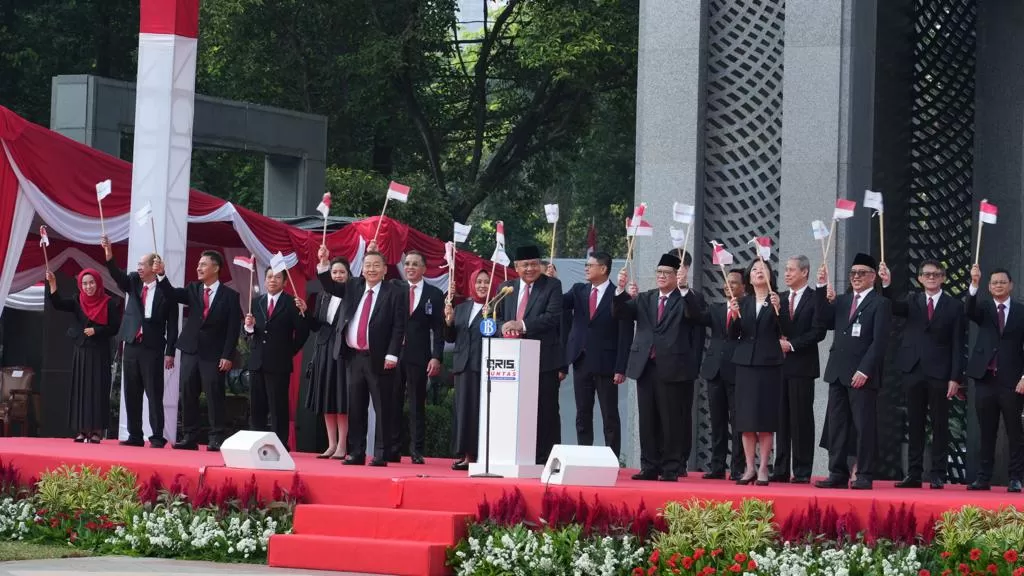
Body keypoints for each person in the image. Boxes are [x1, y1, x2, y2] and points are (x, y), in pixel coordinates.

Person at [614, 253, 706, 481]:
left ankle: (671, 467)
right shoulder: (646, 297)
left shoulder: (686, 298)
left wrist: (684, 288)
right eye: (659, 272)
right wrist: (620, 290)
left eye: (667, 273)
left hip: (673, 367)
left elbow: (696, 315)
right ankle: (649, 466)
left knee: (671, 419)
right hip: (646, 365)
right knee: (647, 419)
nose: (662, 276)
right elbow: (621, 313)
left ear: (677, 275)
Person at [316, 245, 407, 467]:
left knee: (382, 407)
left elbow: (399, 326)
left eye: (376, 266)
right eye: (368, 266)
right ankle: (356, 452)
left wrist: (392, 354)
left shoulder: (395, 292)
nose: (371, 269)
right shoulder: (353, 285)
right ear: (362, 269)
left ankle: (381, 454)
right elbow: (329, 285)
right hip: (354, 357)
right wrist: (324, 263)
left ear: (385, 270)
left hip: (381, 358)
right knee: (356, 407)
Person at [880, 259, 964, 490]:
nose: (931, 277)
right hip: (913, 369)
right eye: (927, 274)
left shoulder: (954, 306)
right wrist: (886, 284)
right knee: (914, 424)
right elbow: (892, 306)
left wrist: (955, 377)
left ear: (943, 277)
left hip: (940, 372)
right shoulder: (912, 300)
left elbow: (958, 344)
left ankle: (938, 474)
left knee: (939, 424)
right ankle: (914, 474)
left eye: (936, 274)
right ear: (919, 278)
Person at [814, 253, 891, 490]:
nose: (856, 277)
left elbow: (879, 342)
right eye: (853, 273)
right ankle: (837, 472)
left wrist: (865, 370)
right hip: (838, 372)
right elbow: (822, 319)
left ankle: (865, 473)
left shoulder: (880, 303)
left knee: (863, 426)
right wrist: (820, 287)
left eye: (861, 273)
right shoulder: (843, 300)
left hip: (861, 375)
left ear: (873, 277)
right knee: (837, 425)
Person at [157, 250, 241, 452]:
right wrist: (161, 275)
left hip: (214, 353)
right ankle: (189, 436)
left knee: (214, 394)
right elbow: (171, 293)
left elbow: (233, 329)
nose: (198, 268)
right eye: (198, 264)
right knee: (187, 392)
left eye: (203, 264)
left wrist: (227, 355)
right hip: (191, 349)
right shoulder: (193, 288)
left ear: (216, 268)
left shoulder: (230, 296)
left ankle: (216, 437)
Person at [101, 237, 178, 448]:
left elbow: (173, 326)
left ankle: (157, 436)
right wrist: (109, 254)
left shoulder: (166, 291)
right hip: (132, 344)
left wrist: (170, 351)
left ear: (154, 267)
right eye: (138, 265)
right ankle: (134, 435)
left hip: (153, 347)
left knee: (154, 393)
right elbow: (117, 275)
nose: (139, 268)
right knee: (131, 392)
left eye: (143, 265)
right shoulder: (134, 281)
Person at [494, 245, 564, 465]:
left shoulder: (552, 285)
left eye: (534, 264)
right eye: (525, 265)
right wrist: (503, 327)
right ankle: (515, 455)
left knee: (546, 410)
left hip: (544, 360)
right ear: (516, 267)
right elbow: (494, 316)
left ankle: (547, 459)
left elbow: (553, 317)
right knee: (514, 409)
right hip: (512, 360)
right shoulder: (506, 288)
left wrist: (521, 325)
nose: (530, 269)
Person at [559, 251, 631, 458]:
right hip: (581, 360)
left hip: (606, 363)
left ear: (603, 268)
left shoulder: (619, 295)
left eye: (590, 265)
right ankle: (584, 456)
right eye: (586, 265)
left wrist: (621, 367)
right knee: (582, 413)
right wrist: (552, 282)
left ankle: (612, 458)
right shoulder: (579, 290)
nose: (586, 268)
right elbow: (560, 302)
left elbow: (625, 335)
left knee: (609, 415)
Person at [964, 265, 1024, 492]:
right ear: (989, 287)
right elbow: (969, 310)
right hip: (985, 379)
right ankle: (983, 478)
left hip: (1012, 381)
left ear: (1011, 285)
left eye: (1002, 282)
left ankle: (1015, 478)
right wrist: (974, 284)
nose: (999, 285)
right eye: (994, 282)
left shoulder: (1021, 311)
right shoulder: (984, 309)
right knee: (986, 431)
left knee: (1015, 432)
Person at [728, 259, 786, 486]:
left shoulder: (778, 300)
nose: (758, 272)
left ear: (770, 275)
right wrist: (734, 317)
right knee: (746, 420)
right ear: (749, 278)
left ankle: (763, 467)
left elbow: (787, 329)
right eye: (754, 270)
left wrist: (780, 311)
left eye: (762, 269)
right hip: (745, 365)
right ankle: (749, 467)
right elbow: (733, 335)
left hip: (769, 365)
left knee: (765, 419)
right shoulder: (743, 302)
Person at [46, 269, 120, 444]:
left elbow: (115, 328)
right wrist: (53, 283)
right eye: (85, 283)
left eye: (91, 283)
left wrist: (97, 330)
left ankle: (96, 431)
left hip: (99, 352)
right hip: (82, 350)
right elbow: (58, 304)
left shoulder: (108, 302)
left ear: (98, 283)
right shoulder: (77, 300)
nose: (88, 287)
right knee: (81, 390)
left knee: (97, 390)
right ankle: (82, 430)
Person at [771, 255, 826, 484]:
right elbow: (775, 328)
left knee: (801, 419)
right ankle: (781, 469)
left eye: (791, 270)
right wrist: (775, 311)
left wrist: (792, 345)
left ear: (804, 272)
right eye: (785, 270)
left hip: (803, 366)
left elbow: (818, 331)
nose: (786, 274)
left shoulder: (815, 298)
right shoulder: (781, 298)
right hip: (780, 366)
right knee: (781, 420)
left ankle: (802, 470)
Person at [243, 267, 309, 448]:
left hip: (279, 363)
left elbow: (303, 332)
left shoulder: (292, 303)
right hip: (257, 362)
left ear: (285, 282)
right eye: (270, 277)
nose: (273, 280)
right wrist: (248, 327)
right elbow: (249, 334)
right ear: (265, 281)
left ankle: (280, 444)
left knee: (278, 406)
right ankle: (256, 444)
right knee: (257, 406)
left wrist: (289, 351)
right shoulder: (256, 302)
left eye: (277, 277)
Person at [390, 250, 445, 464]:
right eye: (407, 264)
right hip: (394, 354)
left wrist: (436, 357)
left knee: (416, 404)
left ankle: (416, 451)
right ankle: (393, 449)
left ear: (423, 268)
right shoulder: (395, 288)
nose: (410, 267)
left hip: (419, 356)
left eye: (415, 264)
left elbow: (439, 330)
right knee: (392, 401)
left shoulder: (434, 294)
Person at [696, 267, 747, 480]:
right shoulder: (716, 308)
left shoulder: (749, 309)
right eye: (726, 282)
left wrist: (737, 315)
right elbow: (694, 315)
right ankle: (716, 466)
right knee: (717, 421)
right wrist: (684, 290)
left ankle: (737, 468)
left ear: (744, 287)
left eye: (733, 282)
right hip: (714, 370)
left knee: (738, 422)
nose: (728, 285)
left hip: (737, 371)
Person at [444, 268, 492, 470]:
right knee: (463, 410)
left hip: (485, 366)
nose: (482, 285)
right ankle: (465, 454)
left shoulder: (497, 306)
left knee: (478, 411)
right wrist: (448, 322)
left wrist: (491, 317)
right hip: (463, 367)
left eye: (486, 282)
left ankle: (477, 455)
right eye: (479, 281)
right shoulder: (462, 308)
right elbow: (450, 338)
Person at [306, 257, 351, 459]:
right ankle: (331, 444)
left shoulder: (351, 293)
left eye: (342, 272)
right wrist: (305, 312)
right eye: (334, 272)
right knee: (326, 398)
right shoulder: (323, 296)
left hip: (342, 350)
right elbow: (316, 325)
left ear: (349, 275)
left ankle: (342, 445)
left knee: (341, 399)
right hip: (323, 348)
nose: (338, 275)